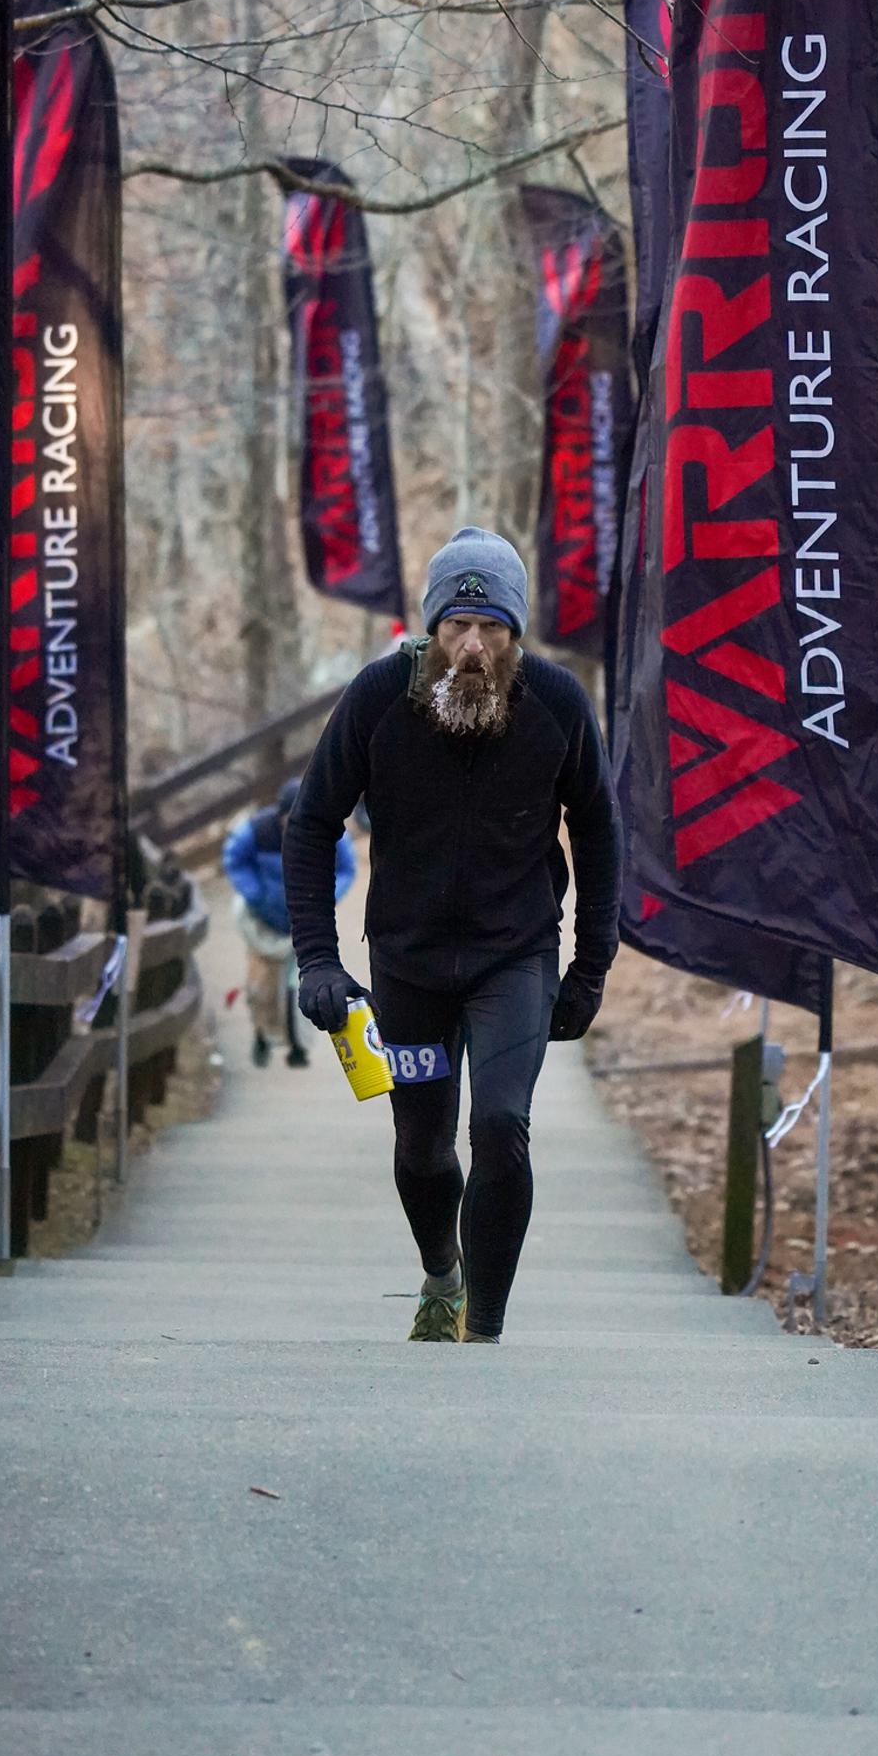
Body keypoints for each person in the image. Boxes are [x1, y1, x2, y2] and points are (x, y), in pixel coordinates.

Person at [283, 525, 621, 1344]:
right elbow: (309, 822)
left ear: (515, 636)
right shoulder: (377, 697)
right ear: (430, 629)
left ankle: (486, 1329)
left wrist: (588, 969)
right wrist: (319, 960)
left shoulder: (556, 703)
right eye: (457, 627)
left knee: (502, 1124)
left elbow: (602, 833)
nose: (473, 646)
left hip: (515, 960)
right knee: (422, 1146)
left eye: (493, 629)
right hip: (409, 970)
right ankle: (443, 1274)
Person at [224, 778, 356, 1069]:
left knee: (300, 986)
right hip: (264, 921)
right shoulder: (256, 832)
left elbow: (348, 868)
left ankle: (298, 1046)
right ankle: (261, 1034)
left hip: (304, 921)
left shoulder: (329, 830)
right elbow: (234, 859)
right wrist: (254, 893)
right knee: (261, 988)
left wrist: (326, 897)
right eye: (287, 820)